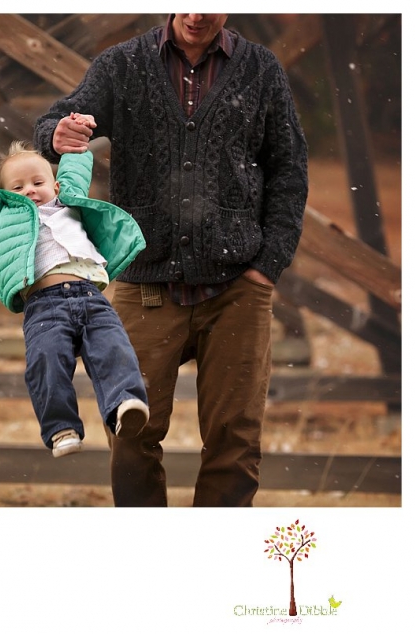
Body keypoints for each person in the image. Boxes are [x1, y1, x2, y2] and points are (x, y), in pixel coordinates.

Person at [34, 14, 309, 506]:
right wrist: (57, 134)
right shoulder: (122, 64)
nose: (197, 15)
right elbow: (60, 118)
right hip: (145, 284)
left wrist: (267, 265)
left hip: (236, 289)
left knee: (235, 440)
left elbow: (289, 169)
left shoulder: (262, 69)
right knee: (130, 433)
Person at [0, 131, 149, 458]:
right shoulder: (1, 217)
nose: (29, 190)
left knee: (115, 350)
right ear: (4, 195)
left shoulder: (68, 201)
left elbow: (75, 167)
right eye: (17, 188)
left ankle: (123, 405)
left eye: (37, 182)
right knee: (46, 363)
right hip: (44, 306)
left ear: (55, 186)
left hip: (91, 299)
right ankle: (62, 429)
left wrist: (75, 143)